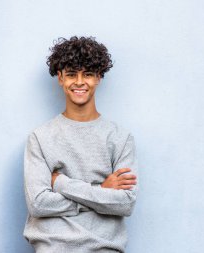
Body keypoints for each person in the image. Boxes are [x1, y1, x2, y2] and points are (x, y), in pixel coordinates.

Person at [23, 36, 139, 253]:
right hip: (52, 248)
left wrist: (61, 184)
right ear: (60, 78)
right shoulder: (40, 137)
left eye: (87, 74)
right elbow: (38, 204)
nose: (79, 82)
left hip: (104, 248)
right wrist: (102, 191)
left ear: (99, 78)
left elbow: (124, 203)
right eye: (71, 74)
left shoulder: (120, 138)